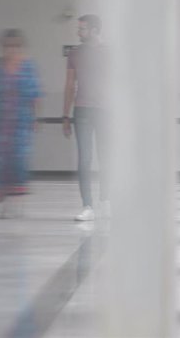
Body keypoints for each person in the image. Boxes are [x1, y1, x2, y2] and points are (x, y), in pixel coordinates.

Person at [0, 29, 41, 209]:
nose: (11, 50)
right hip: (0, 121)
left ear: (21, 47)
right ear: (2, 47)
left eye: (15, 46)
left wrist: (36, 118)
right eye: (7, 46)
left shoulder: (28, 66)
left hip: (21, 122)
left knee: (19, 160)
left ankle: (16, 203)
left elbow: (35, 95)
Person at [63, 14, 111, 221]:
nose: (78, 32)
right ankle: (87, 206)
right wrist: (64, 115)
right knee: (85, 159)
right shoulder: (74, 53)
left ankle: (106, 201)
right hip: (82, 110)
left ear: (93, 30)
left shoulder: (110, 52)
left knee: (106, 157)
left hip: (105, 111)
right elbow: (69, 85)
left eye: (82, 29)